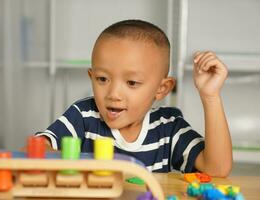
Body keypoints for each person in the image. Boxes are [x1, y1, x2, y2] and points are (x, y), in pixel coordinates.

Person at [35, 19, 232, 177]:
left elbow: (217, 169)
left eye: (131, 83)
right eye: (102, 79)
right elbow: (38, 149)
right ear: (91, 77)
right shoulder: (83, 116)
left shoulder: (169, 128)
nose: (113, 94)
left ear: (161, 89)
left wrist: (210, 96)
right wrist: (68, 161)